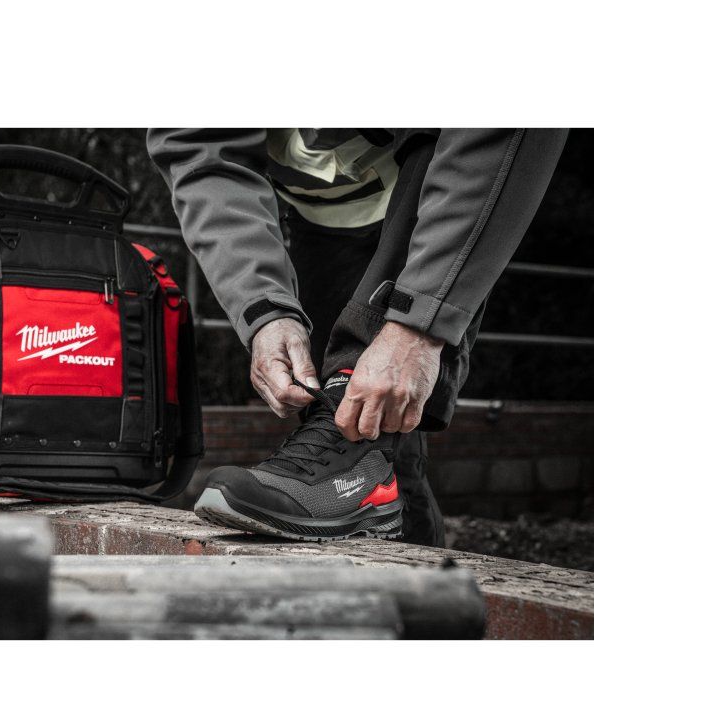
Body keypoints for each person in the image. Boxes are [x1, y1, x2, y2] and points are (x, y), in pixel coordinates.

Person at [149, 129, 568, 543]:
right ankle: (387, 540)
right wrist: (265, 309)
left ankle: (398, 550)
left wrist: (418, 325)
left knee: (367, 418)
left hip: (434, 187)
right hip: (322, 213)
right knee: (358, 434)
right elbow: (201, 150)